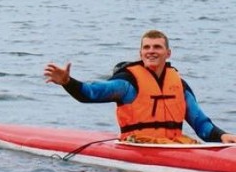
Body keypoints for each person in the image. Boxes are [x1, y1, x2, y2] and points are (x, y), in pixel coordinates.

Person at [44, 29, 236, 144]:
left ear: (168, 53)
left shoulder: (178, 84)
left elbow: (201, 123)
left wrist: (222, 136)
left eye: (157, 47)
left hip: (175, 145)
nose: (151, 51)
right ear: (140, 52)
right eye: (147, 47)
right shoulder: (128, 83)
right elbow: (92, 93)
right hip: (138, 145)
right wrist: (68, 82)